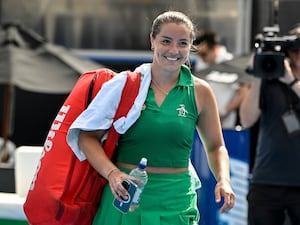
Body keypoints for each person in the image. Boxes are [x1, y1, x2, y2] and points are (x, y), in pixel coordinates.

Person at [67, 11, 235, 225]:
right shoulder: (125, 84)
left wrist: (224, 179)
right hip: (124, 197)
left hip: (176, 202)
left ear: (191, 46)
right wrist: (112, 174)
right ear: (152, 41)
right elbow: (86, 137)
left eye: (182, 43)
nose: (174, 50)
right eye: (166, 41)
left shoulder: (201, 91)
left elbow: (216, 146)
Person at [239, 23, 300, 225]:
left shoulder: (288, 79)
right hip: (267, 179)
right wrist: (258, 75)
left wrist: (291, 81)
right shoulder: (270, 78)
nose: (298, 53)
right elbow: (247, 119)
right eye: (294, 47)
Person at [193, 30, 248, 129]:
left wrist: (223, 113)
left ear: (215, 49)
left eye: (204, 54)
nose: (202, 58)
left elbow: (243, 93)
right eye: (199, 55)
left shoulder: (230, 63)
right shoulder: (201, 65)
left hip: (226, 124)